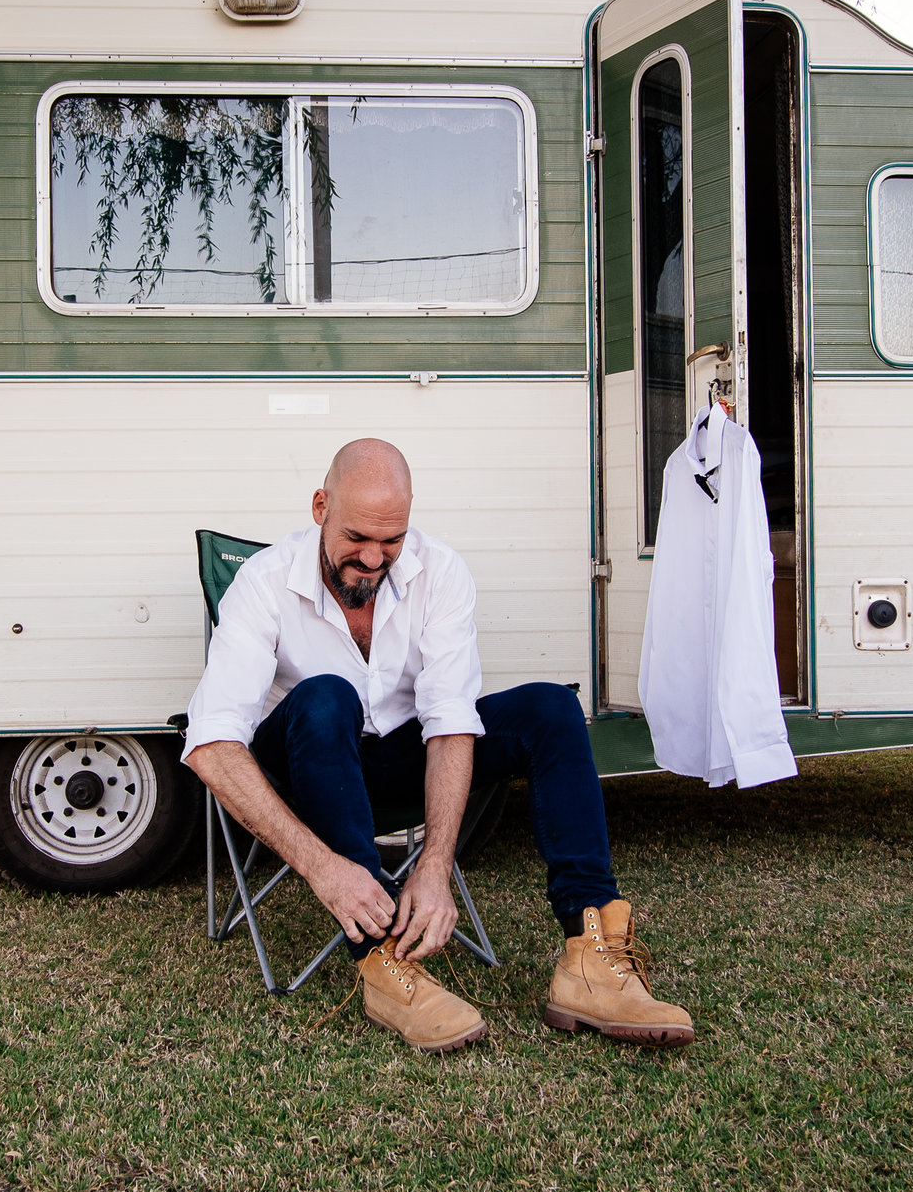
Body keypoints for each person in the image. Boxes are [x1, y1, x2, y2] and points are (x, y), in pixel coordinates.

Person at [183, 439, 695, 1055]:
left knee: (551, 708)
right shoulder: (262, 583)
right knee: (325, 695)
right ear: (320, 506)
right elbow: (211, 743)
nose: (372, 560)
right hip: (307, 764)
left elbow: (450, 721)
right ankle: (382, 962)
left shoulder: (441, 572)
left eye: (391, 541)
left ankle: (589, 955)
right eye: (356, 538)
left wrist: (433, 865)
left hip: (399, 758)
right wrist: (324, 870)